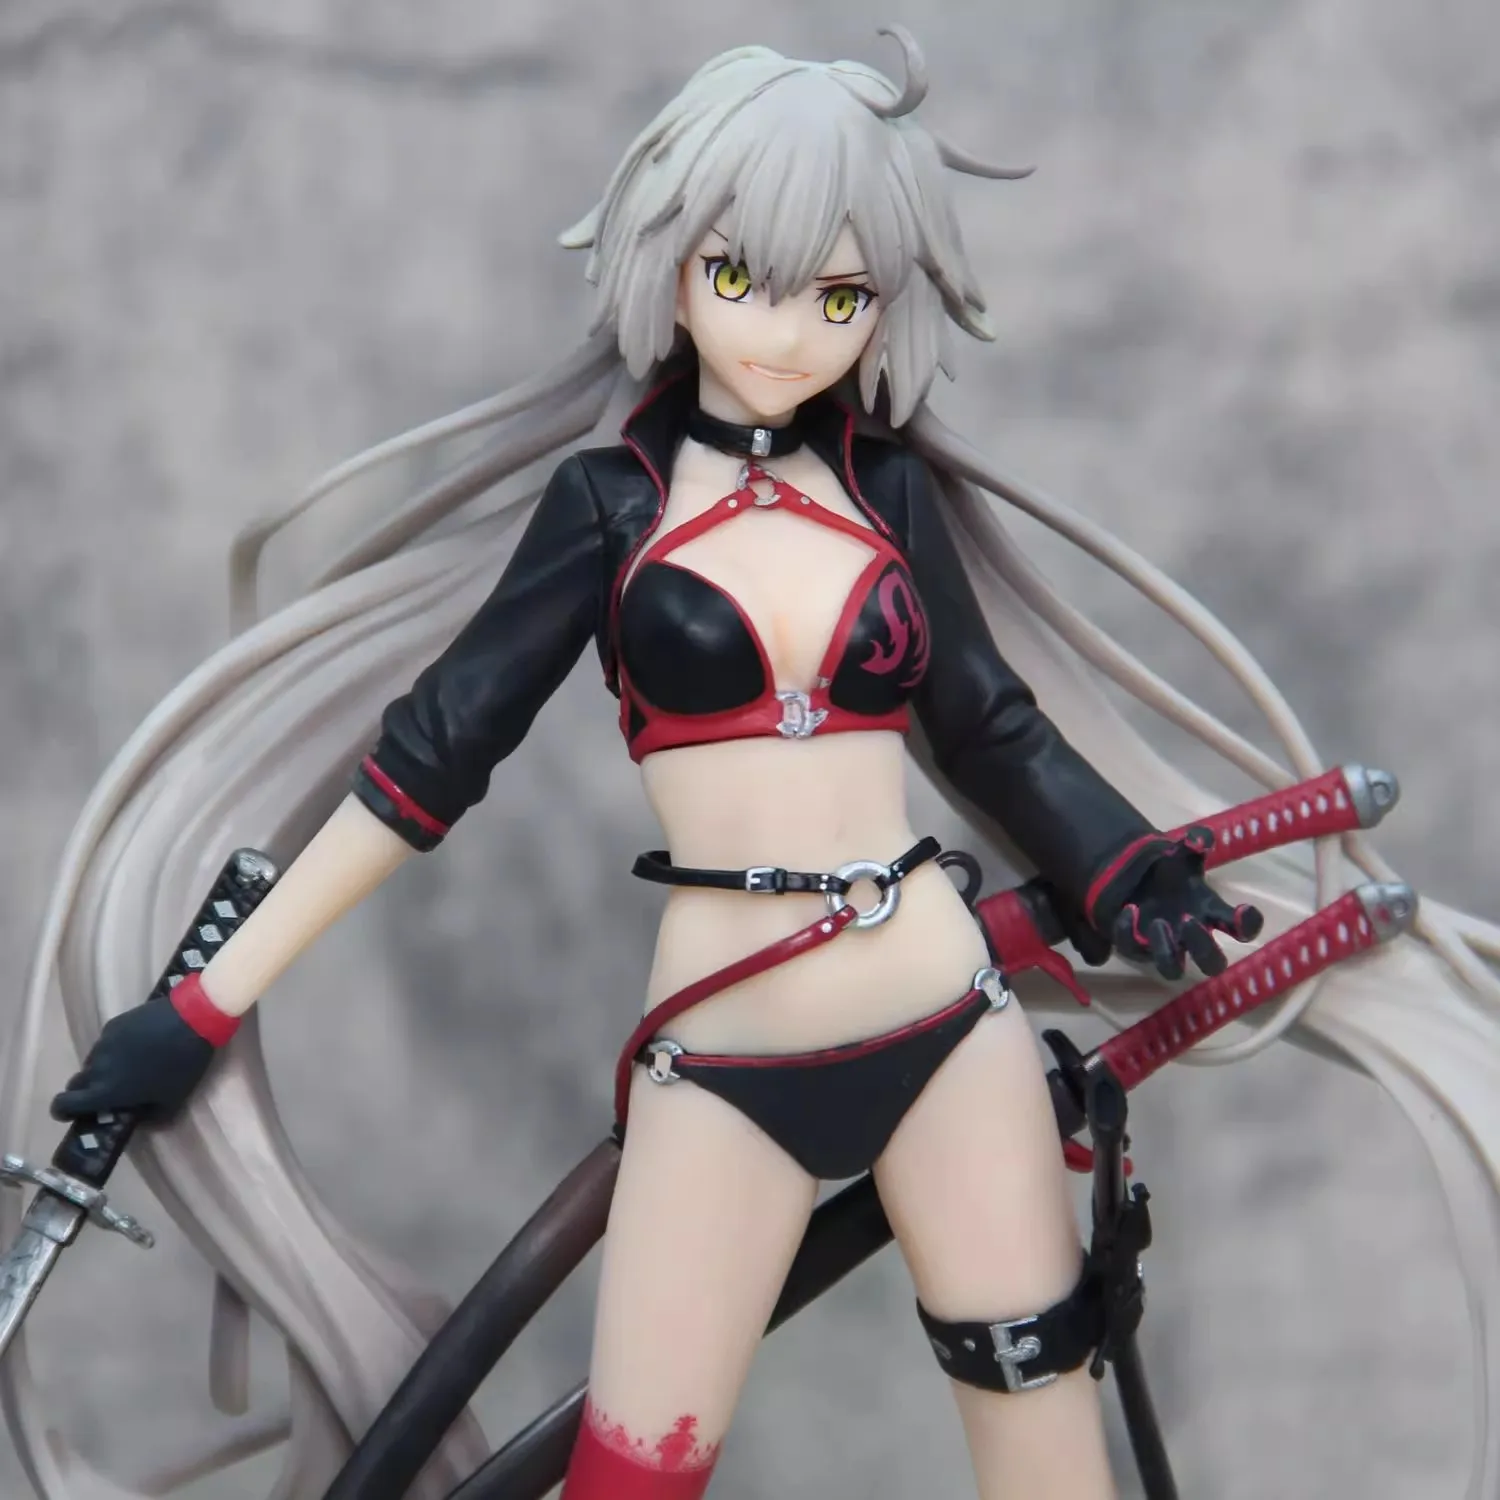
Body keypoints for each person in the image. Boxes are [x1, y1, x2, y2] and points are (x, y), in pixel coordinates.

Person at [8, 27, 1499, 1500]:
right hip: (724, 1059)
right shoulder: (610, 507)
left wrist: (1128, 869)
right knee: (635, 1476)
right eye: (741, 278)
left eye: (840, 297)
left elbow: (991, 728)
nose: (787, 334)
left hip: (946, 1023)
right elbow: (428, 766)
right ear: (667, 263)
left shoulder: (888, 491)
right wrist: (201, 1005)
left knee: (1050, 1454)